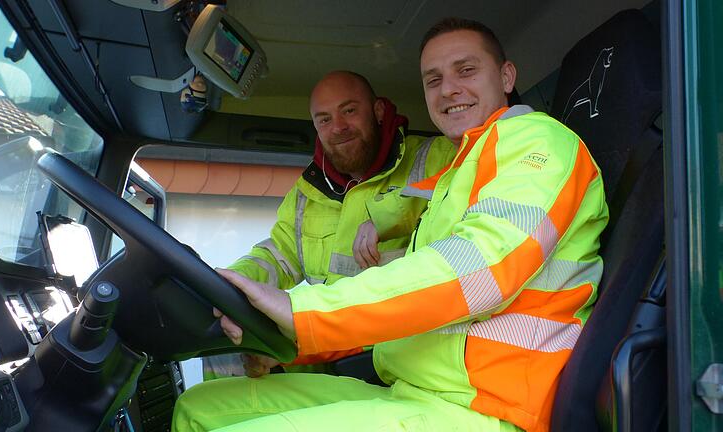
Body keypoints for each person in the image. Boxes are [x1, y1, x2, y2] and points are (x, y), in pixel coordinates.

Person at [174, 17, 608, 432]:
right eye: (433, 80)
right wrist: (294, 344)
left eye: (466, 70)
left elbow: (477, 271)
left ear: (507, 76)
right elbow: (416, 302)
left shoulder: (538, 142)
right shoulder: (458, 174)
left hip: (481, 408)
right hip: (410, 390)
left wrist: (301, 312)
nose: (449, 89)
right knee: (198, 407)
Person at [202, 70, 457, 379]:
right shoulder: (306, 192)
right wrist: (233, 283)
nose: (338, 127)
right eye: (324, 119)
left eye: (349, 111)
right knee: (225, 348)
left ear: (377, 111)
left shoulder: (435, 157)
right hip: (327, 348)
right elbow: (280, 253)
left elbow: (458, 200)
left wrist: (387, 217)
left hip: (397, 357)